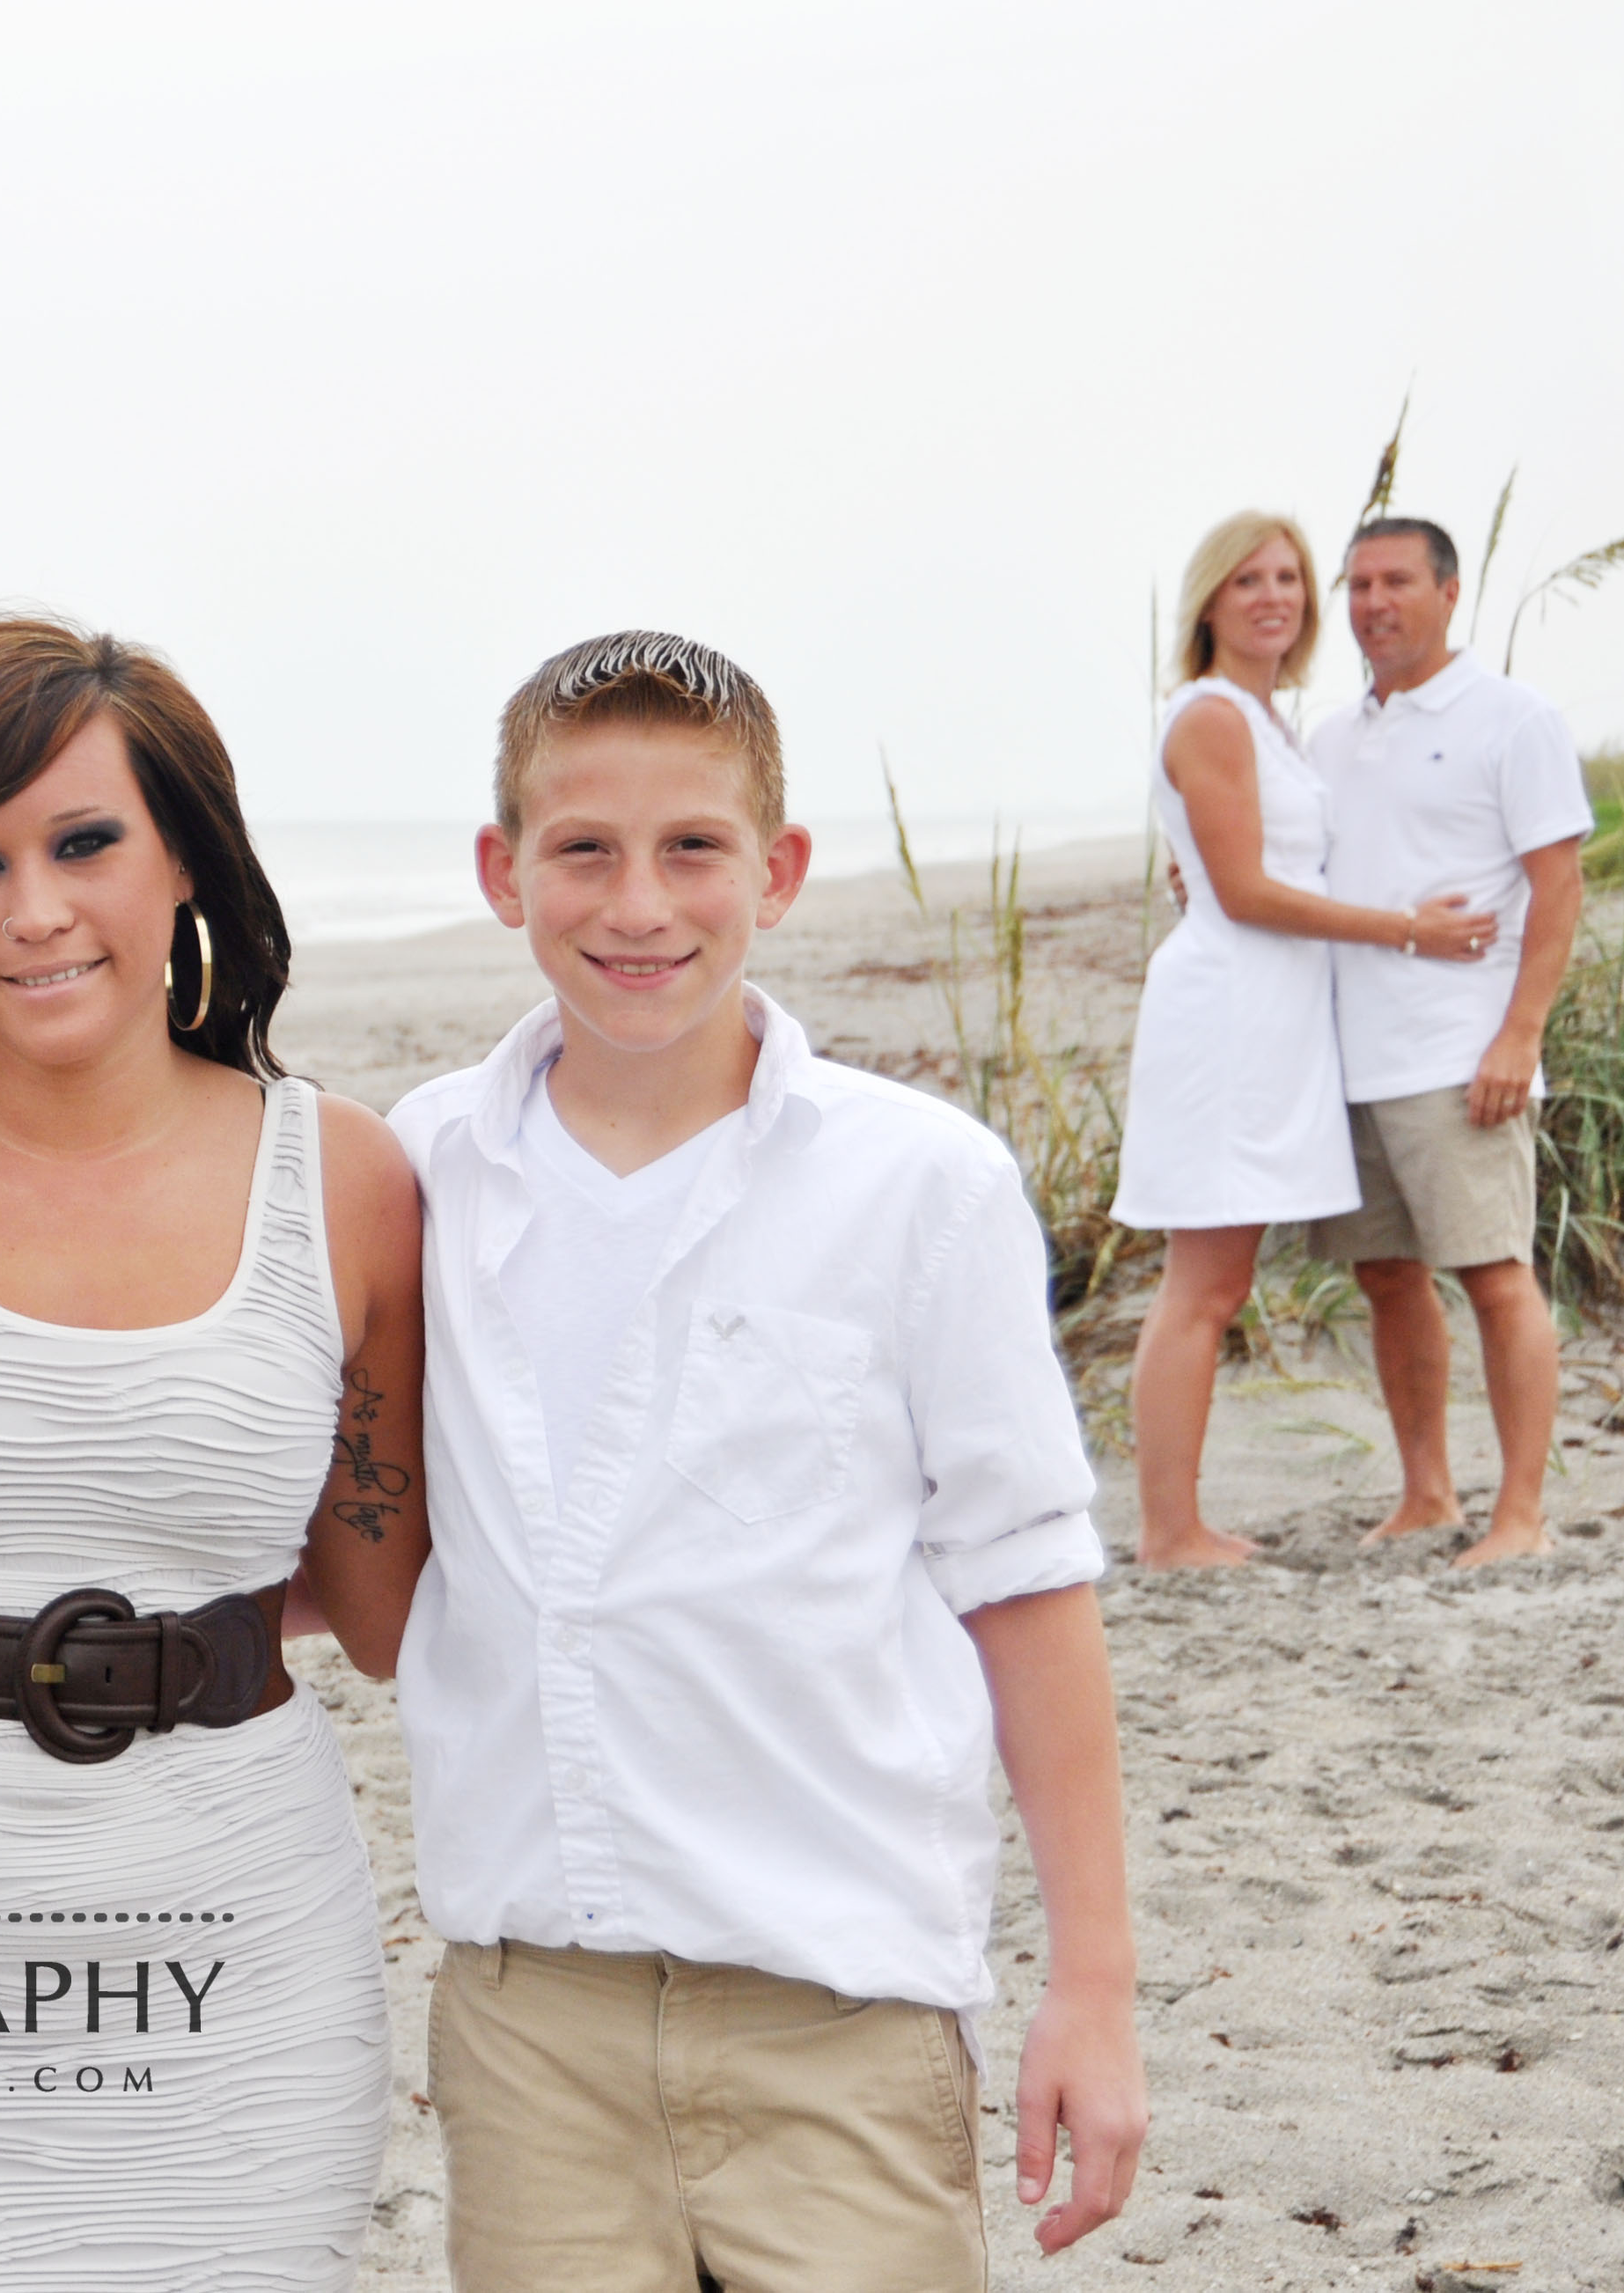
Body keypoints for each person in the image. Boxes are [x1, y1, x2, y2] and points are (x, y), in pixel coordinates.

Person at [393, 630, 1147, 2287]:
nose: (637, 907)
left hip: (841, 2008)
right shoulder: (421, 1169)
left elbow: (1025, 1582)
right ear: (499, 870)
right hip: (531, 2014)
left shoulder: (918, 1187)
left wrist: (1090, 1985)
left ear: (781, 871)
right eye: (581, 850)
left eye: (693, 851)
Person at [0, 615, 430, 2291]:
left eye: (84, 843)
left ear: (186, 853)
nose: (31, 912)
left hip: (242, 1942)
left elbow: (389, 1605)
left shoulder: (341, 1180)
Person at [1110, 511, 1489, 1569]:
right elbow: (1242, 893)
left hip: (1280, 1025)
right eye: (1247, 582)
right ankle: (1168, 1530)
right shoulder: (1211, 717)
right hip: (1228, 1020)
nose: (1273, 595)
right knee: (1204, 1283)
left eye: (1287, 578)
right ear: (1209, 603)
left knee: (1216, 1280)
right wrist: (1409, 930)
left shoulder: (1270, 721)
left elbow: (1244, 866)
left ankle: (1178, 1521)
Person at [1307, 516, 1592, 1568]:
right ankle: (1427, 1492)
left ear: (1448, 592)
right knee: (1386, 1275)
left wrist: (1519, 1035)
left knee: (1493, 1273)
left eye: (1394, 583)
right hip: (1352, 1057)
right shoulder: (1331, 738)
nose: (1372, 603)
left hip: (1459, 1052)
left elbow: (1558, 885)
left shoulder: (1510, 717)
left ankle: (1519, 1514)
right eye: (1357, 585)